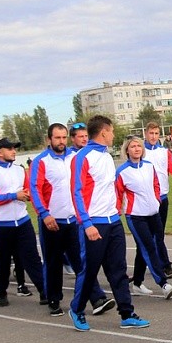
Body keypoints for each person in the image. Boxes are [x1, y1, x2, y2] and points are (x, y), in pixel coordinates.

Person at [69, 116, 150, 331]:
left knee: (118, 269)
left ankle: (127, 313)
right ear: (104, 132)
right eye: (112, 131)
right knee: (89, 270)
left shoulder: (106, 157)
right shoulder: (82, 157)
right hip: (94, 223)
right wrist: (86, 223)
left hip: (113, 221)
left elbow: (110, 187)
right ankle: (77, 309)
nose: (114, 135)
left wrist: (116, 209)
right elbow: (76, 192)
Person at [30, 123, 117, 317]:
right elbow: (35, 188)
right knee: (53, 263)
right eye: (57, 138)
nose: (61, 142)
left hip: (74, 221)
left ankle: (96, 298)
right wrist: (44, 213)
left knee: (82, 262)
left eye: (63, 138)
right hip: (53, 221)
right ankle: (53, 299)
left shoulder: (75, 157)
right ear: (49, 140)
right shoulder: (41, 161)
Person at [0, 138, 46, 306]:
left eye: (14, 148)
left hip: (22, 221)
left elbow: (27, 190)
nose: (14, 151)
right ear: (0, 152)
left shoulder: (19, 170)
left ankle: (43, 290)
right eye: (10, 148)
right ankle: (1, 291)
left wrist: (28, 196)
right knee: (2, 260)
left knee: (32, 257)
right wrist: (13, 196)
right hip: (1, 224)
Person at [115, 135, 172, 300]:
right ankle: (164, 284)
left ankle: (137, 283)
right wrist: (116, 210)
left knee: (146, 247)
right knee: (149, 248)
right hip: (136, 217)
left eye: (138, 146)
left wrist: (156, 200)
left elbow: (156, 185)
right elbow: (117, 193)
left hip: (153, 214)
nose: (136, 149)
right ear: (127, 150)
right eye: (133, 146)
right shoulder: (122, 171)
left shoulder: (149, 166)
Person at [143, 122, 172, 278]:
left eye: (156, 133)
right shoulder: (140, 150)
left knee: (158, 234)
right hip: (146, 199)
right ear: (145, 134)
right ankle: (164, 266)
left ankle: (156, 265)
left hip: (163, 198)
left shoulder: (163, 152)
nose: (153, 137)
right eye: (151, 133)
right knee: (153, 234)